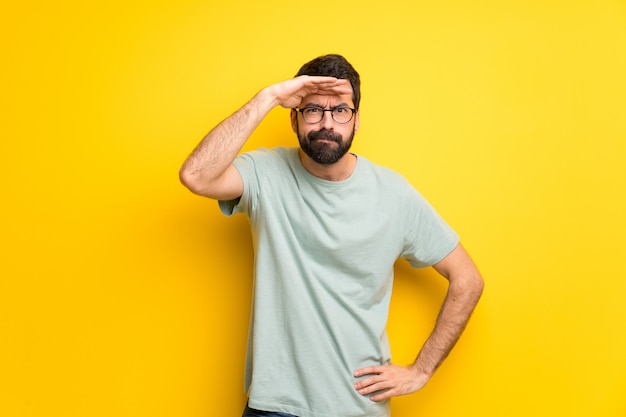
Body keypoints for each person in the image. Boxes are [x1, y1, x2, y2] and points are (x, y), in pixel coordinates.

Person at [179, 54, 484, 417]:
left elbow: (468, 279)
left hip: (357, 407)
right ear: (293, 119)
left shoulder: (393, 194)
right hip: (275, 406)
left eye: (340, 111)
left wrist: (421, 370)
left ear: (356, 120)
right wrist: (270, 96)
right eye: (313, 111)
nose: (326, 123)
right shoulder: (266, 173)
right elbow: (196, 175)